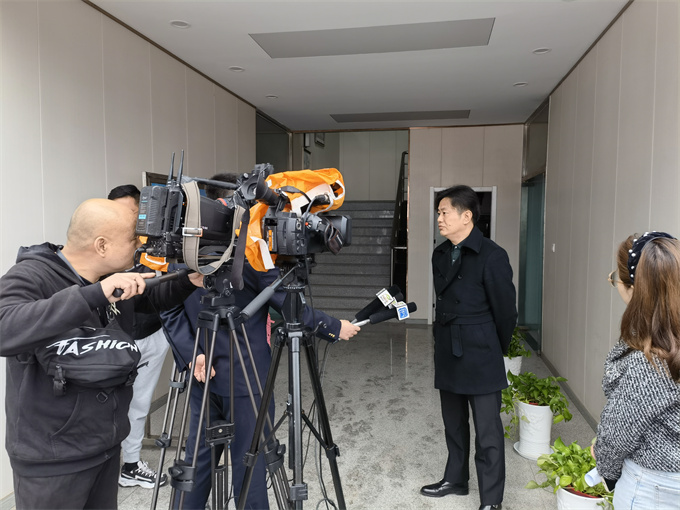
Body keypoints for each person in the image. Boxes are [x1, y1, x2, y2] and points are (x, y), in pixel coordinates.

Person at [162, 173, 361, 510]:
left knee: (197, 462)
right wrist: (333, 327)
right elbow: (289, 305)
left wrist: (192, 355)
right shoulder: (249, 250)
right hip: (248, 377)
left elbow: (168, 308)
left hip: (201, 374)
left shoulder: (183, 249)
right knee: (249, 467)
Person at [0, 198, 203, 509]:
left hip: (104, 449)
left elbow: (148, 299)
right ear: (102, 245)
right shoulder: (33, 274)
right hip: (53, 461)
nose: (139, 245)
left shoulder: (105, 277)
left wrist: (188, 281)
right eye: (133, 238)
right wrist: (94, 295)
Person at [421, 185, 517, 510]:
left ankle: (491, 500)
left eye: (444, 212)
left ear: (467, 216)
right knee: (454, 423)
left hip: (481, 351)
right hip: (448, 348)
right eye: (438, 213)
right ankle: (456, 479)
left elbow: (506, 312)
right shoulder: (440, 253)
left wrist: (493, 346)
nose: (439, 218)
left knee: (488, 431)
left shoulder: (492, 255)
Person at [592, 231, 680, 509]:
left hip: (653, 486)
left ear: (634, 288)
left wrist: (605, 467)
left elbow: (618, 433)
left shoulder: (652, 359)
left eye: (615, 279)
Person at [108, 184, 170, 489]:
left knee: (139, 403)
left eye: (130, 212)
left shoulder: (157, 244)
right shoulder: (104, 245)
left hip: (152, 332)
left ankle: (131, 465)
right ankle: (102, 469)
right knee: (106, 405)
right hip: (114, 338)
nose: (123, 218)